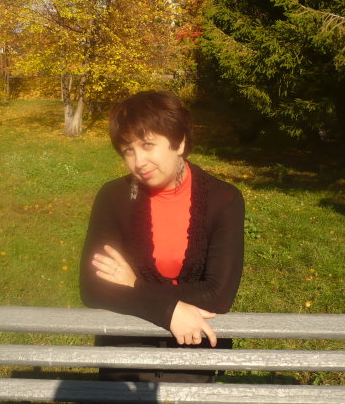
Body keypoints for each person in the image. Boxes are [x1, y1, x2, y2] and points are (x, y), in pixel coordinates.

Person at [79, 90, 245, 382]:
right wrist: (168, 310)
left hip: (193, 344)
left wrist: (134, 285)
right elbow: (92, 288)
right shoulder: (114, 197)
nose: (138, 162)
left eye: (147, 145)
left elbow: (218, 296)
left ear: (179, 142)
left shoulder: (224, 200)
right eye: (128, 150)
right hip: (126, 346)